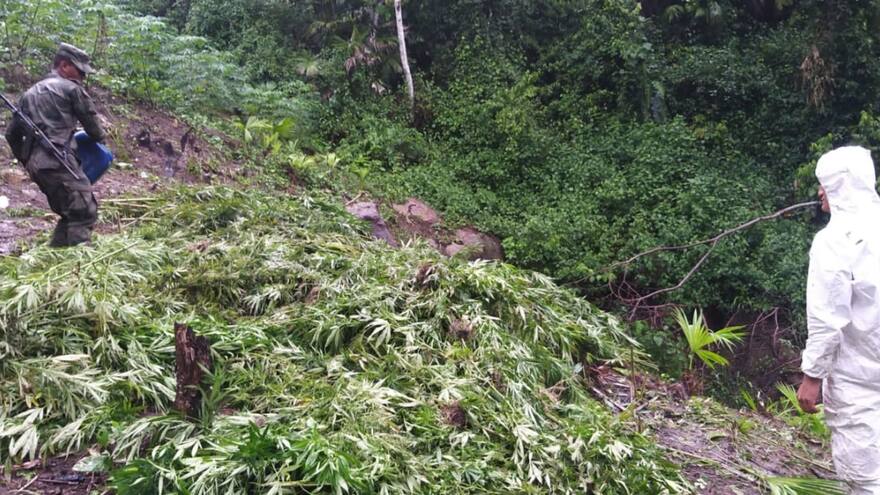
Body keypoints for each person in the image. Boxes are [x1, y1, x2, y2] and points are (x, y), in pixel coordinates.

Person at [797, 145, 880, 494]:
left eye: (826, 184)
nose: (819, 192)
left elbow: (827, 319)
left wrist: (811, 377)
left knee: (864, 478)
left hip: (857, 379)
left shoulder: (834, 241)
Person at [4, 42, 106, 247]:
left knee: (70, 211)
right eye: (80, 72)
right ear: (64, 65)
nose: (82, 78)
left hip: (36, 166)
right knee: (84, 210)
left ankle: (56, 256)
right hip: (59, 160)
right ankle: (81, 264)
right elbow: (94, 130)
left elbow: (11, 134)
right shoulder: (71, 89)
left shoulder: (29, 94)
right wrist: (97, 142)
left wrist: (26, 160)